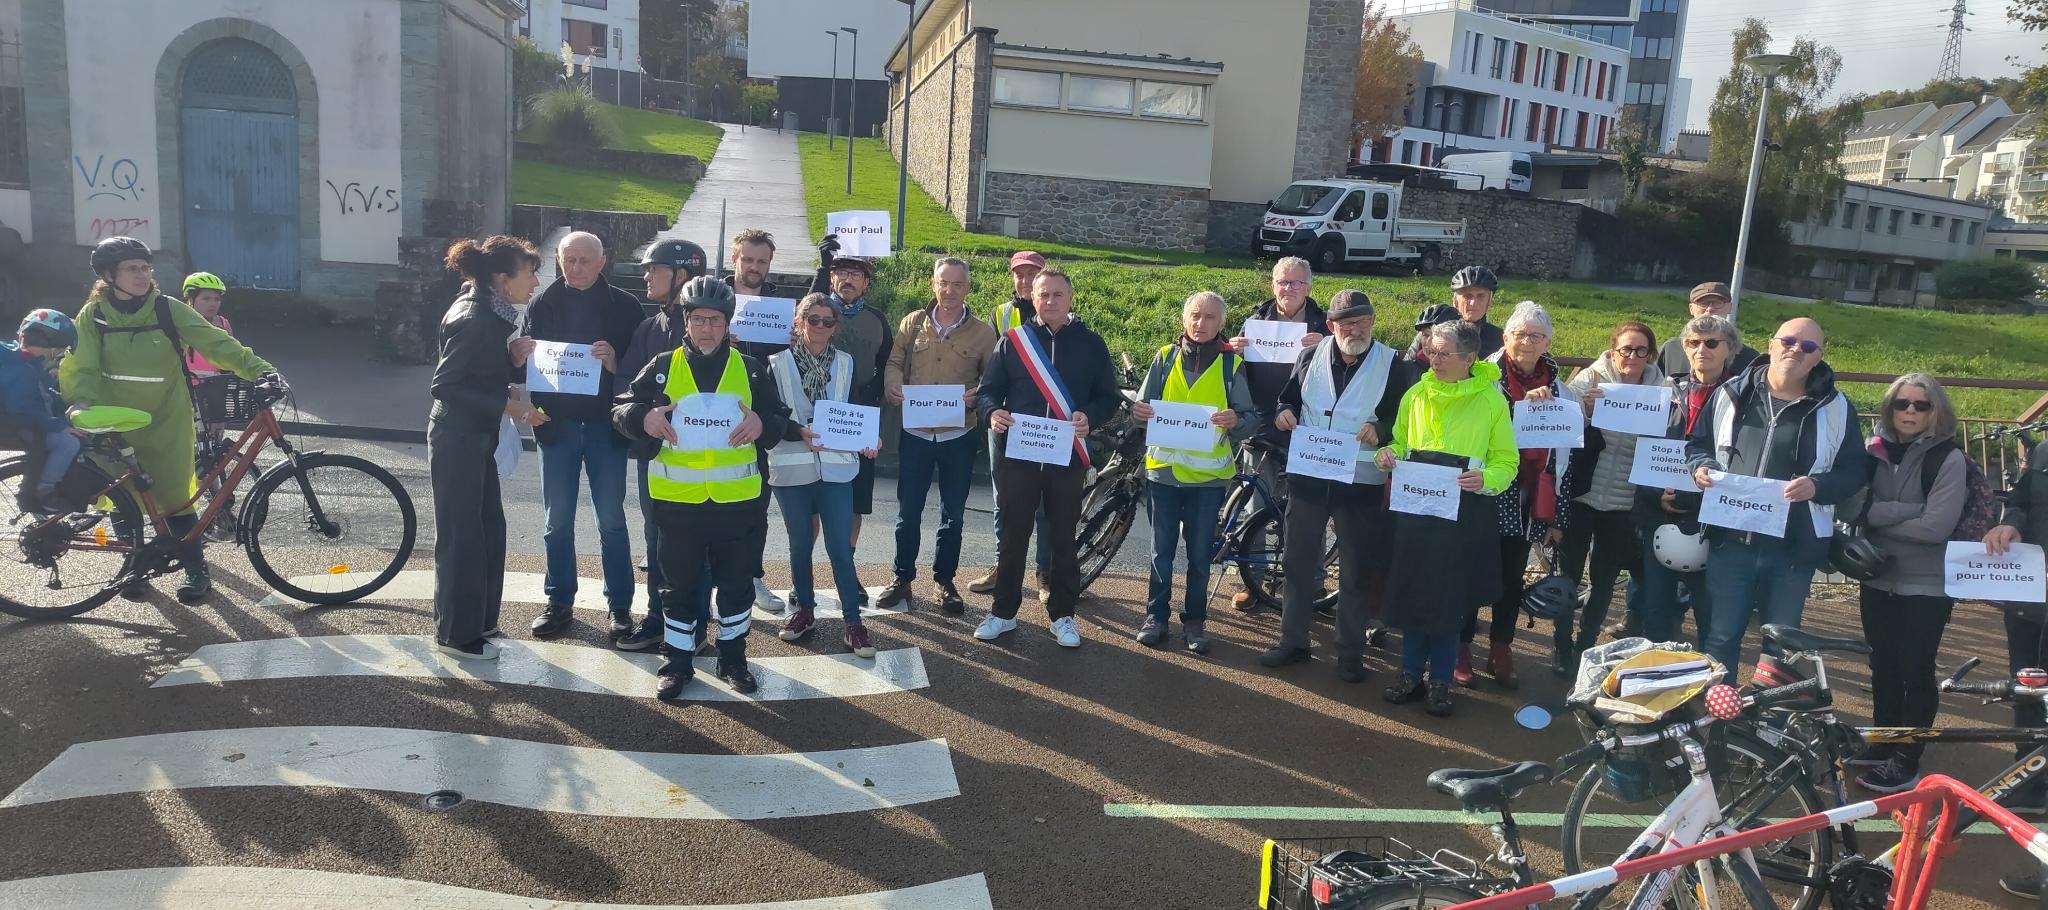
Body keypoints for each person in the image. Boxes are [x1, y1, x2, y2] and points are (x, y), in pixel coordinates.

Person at [61, 236, 274, 604]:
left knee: (175, 496)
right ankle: (134, 569)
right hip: (116, 418)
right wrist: (81, 404)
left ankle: (196, 570)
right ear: (110, 276)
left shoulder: (166, 309)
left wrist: (259, 369)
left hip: (165, 417)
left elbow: (216, 343)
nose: (143, 275)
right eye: (133, 269)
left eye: (146, 268)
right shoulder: (93, 314)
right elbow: (81, 366)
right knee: (123, 494)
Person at [612, 276, 791, 700]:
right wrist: (643, 419)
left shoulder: (751, 368)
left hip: (738, 504)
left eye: (715, 319)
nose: (706, 328)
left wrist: (764, 423)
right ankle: (676, 663)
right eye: (698, 319)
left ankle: (734, 658)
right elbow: (621, 406)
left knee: (736, 587)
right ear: (686, 321)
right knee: (677, 589)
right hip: (678, 504)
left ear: (728, 324)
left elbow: (779, 415)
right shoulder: (661, 367)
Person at [1687, 317, 1872, 683]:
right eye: (1788, 341)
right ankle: (1718, 724)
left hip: (1794, 549)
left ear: (1818, 357)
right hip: (1731, 543)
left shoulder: (1836, 408)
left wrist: (1818, 486)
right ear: (1770, 345)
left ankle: (1767, 725)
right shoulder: (1729, 394)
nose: (1795, 351)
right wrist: (1702, 467)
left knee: (1782, 646)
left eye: (1807, 347)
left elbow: (1854, 471)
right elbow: (1698, 444)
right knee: (1721, 638)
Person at [1260, 290, 1410, 679]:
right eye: (1346, 323)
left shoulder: (1393, 364)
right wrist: (1284, 413)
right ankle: (1292, 642)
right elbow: (1286, 399)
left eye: (1362, 322)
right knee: (1297, 564)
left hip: (1360, 482)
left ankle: (1349, 653)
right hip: (1309, 477)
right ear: (1331, 326)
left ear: (1373, 321)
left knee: (1355, 570)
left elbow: (1405, 420)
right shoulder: (1310, 355)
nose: (1355, 330)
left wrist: (1381, 428)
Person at [1375, 320, 1518, 716]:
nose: (1432, 360)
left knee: (1448, 601)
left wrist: (1486, 478)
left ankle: (1440, 681)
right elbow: (1399, 443)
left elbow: (1507, 461)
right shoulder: (1416, 394)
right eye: (1429, 352)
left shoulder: (1492, 401)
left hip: (1464, 513)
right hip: (1416, 509)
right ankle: (1409, 674)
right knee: (1412, 594)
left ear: (1469, 359)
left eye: (1442, 354)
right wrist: (1386, 455)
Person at [976, 267, 1121, 647]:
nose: (1050, 301)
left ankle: (1063, 615)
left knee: (1062, 539)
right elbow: (988, 392)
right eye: (1043, 294)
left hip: (1066, 459)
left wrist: (1090, 415)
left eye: (1058, 294)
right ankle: (1003, 612)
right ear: (1032, 298)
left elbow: (1108, 396)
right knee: (1012, 536)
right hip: (1020, 457)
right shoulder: (1013, 341)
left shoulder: (1091, 344)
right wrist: (992, 413)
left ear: (1071, 298)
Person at [1838, 374, 1967, 793]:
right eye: (1902, 403)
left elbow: (1936, 526)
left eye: (1921, 405)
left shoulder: (1948, 459)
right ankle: (1884, 740)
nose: (1910, 412)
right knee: (1883, 665)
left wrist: (1878, 513)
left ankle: (1908, 756)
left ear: (1936, 412)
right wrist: (1905, 510)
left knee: (1915, 668)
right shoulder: (1871, 452)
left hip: (1927, 583)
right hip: (1877, 577)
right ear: (1890, 408)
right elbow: (1851, 504)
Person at [521, 232, 646, 639]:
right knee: (556, 522)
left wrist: (615, 364)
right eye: (568, 260)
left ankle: (620, 607)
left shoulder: (626, 307)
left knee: (610, 520)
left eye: (584, 261)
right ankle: (559, 603)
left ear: (602, 261)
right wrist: (516, 359)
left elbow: (640, 375)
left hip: (604, 428)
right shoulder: (542, 302)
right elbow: (527, 367)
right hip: (555, 427)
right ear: (557, 260)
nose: (575, 268)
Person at [427, 235, 544, 660]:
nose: (534, 281)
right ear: (501, 277)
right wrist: (508, 404)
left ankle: (477, 621)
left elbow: (476, 371)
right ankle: (458, 636)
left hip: (473, 436)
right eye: (529, 273)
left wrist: (508, 362)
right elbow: (445, 385)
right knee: (463, 537)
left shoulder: (487, 311)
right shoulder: (476, 317)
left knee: (487, 530)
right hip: (458, 438)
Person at [1130, 291, 1259, 653]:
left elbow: (1250, 420)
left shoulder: (1232, 366)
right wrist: (1138, 414)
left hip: (1207, 479)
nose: (1201, 324)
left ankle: (1195, 621)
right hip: (1165, 474)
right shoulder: (1164, 357)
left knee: (1200, 554)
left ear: (1222, 324)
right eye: (1195, 316)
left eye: (1210, 318)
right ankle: (1156, 616)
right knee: (1161, 551)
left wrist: (1236, 420)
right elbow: (1141, 408)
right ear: (1184, 320)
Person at [877, 257, 999, 615]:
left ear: (968, 289)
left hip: (957, 435)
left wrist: (976, 397)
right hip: (915, 434)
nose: (949, 291)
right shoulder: (912, 323)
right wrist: (893, 386)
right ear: (933, 284)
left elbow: (991, 381)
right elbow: (894, 363)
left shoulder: (982, 332)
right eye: (944, 283)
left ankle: (945, 581)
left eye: (957, 284)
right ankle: (902, 578)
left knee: (953, 515)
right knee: (907, 511)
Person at [1472, 301, 1578, 689]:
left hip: (1529, 502)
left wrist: (1557, 519)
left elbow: (1565, 461)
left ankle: (1501, 647)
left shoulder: (1562, 392)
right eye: (1520, 334)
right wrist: (1520, 408)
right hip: (1484, 493)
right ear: (1505, 338)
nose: (1527, 342)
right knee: (1472, 572)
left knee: (1511, 578)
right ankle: (1462, 646)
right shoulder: (1482, 378)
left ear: (1548, 341)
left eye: (1536, 335)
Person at [614, 238, 713, 650]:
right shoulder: (646, 328)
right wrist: (641, 415)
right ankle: (657, 619)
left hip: (704, 460)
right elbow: (625, 392)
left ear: (681, 276)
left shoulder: (713, 335)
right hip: (654, 457)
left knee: (700, 544)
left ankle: (697, 626)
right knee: (656, 539)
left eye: (654, 268)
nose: (646, 275)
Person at [768, 294, 879, 657]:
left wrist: (869, 437)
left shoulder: (846, 363)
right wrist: (795, 430)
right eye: (812, 319)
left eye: (827, 321)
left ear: (835, 327)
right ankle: (805, 612)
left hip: (836, 468)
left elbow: (855, 411)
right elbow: (769, 417)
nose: (819, 327)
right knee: (800, 544)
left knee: (839, 548)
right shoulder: (775, 364)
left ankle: (853, 623)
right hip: (792, 468)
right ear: (799, 322)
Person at [1554, 322, 1666, 673]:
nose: (1632, 357)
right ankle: (1560, 645)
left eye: (1641, 350)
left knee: (1603, 579)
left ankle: (1585, 647)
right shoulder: (1589, 380)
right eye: (1625, 349)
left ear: (1651, 354)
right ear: (1613, 350)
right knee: (1568, 575)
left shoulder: (1661, 391)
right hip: (1581, 495)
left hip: (1624, 501)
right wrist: (1584, 412)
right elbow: (1560, 431)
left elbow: (1667, 444)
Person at [1223, 256, 1326, 612]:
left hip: (1306, 426)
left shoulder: (1325, 325)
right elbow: (1237, 375)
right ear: (1273, 285)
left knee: (1303, 508)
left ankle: (1310, 582)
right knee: (1255, 504)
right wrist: (1233, 352)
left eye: (1297, 283)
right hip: (1262, 424)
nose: (1289, 289)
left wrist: (1327, 343)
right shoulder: (1255, 321)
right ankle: (1254, 580)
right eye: (1283, 282)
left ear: (1309, 287)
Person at [1632, 315, 1739, 647]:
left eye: (1711, 343)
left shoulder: (1742, 397)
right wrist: (1653, 493)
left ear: (1730, 350)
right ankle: (1658, 684)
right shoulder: (1666, 391)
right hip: (1661, 512)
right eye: (1693, 343)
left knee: (1711, 615)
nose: (1701, 350)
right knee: (1656, 611)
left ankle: (1710, 689)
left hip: (1714, 519)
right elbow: (1644, 448)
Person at [971, 250, 1053, 595]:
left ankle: (1045, 572)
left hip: (1046, 424)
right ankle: (1003, 565)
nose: (1024, 280)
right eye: (1019, 274)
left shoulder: (1058, 313)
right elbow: (990, 367)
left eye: (1032, 274)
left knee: (1046, 502)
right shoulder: (1001, 314)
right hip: (1006, 422)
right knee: (1004, 497)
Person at [808, 237, 894, 551]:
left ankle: (846, 566)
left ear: (866, 283)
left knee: (856, 502)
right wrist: (822, 265)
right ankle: (804, 571)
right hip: (818, 414)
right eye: (841, 272)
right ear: (832, 277)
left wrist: (875, 393)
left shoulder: (877, 319)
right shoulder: (818, 311)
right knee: (813, 503)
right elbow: (801, 317)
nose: (848, 279)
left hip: (858, 417)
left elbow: (888, 362)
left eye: (856, 275)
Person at [1985, 430, 2048, 837]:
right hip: (2031, 597)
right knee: (2028, 686)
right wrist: (2011, 527)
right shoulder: (2043, 451)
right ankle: (2030, 779)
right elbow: (2022, 502)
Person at [726, 228, 790, 614]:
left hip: (759, 418)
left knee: (756, 505)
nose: (754, 267)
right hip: (714, 416)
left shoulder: (778, 306)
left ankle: (752, 578)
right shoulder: (713, 298)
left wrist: (792, 341)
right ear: (735, 260)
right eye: (747, 259)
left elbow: (782, 360)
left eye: (761, 262)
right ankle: (712, 581)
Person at [2, 310, 82, 514]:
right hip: (18, 425)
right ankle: (44, 490)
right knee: (68, 443)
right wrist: (59, 425)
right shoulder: (22, 370)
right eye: (56, 352)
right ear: (50, 347)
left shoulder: (22, 361)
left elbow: (45, 396)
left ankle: (40, 494)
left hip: (25, 422)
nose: (54, 357)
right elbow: (24, 409)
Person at [1655, 282, 1760, 380]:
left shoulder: (1750, 358)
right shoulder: (1671, 350)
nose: (1710, 309)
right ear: (1691, 308)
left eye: (1717, 303)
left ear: (1730, 308)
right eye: (1703, 303)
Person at [179, 272, 233, 376]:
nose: (212, 304)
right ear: (191, 300)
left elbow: (233, 356)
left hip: (214, 386)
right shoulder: (179, 323)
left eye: (216, 299)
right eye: (206, 299)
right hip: (185, 387)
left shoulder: (223, 324)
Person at [1449, 266, 1505, 358]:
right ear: (1455, 301)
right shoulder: (1435, 335)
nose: (1473, 302)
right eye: (1467, 296)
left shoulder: (1501, 340)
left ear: (1490, 301)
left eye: (1480, 296)